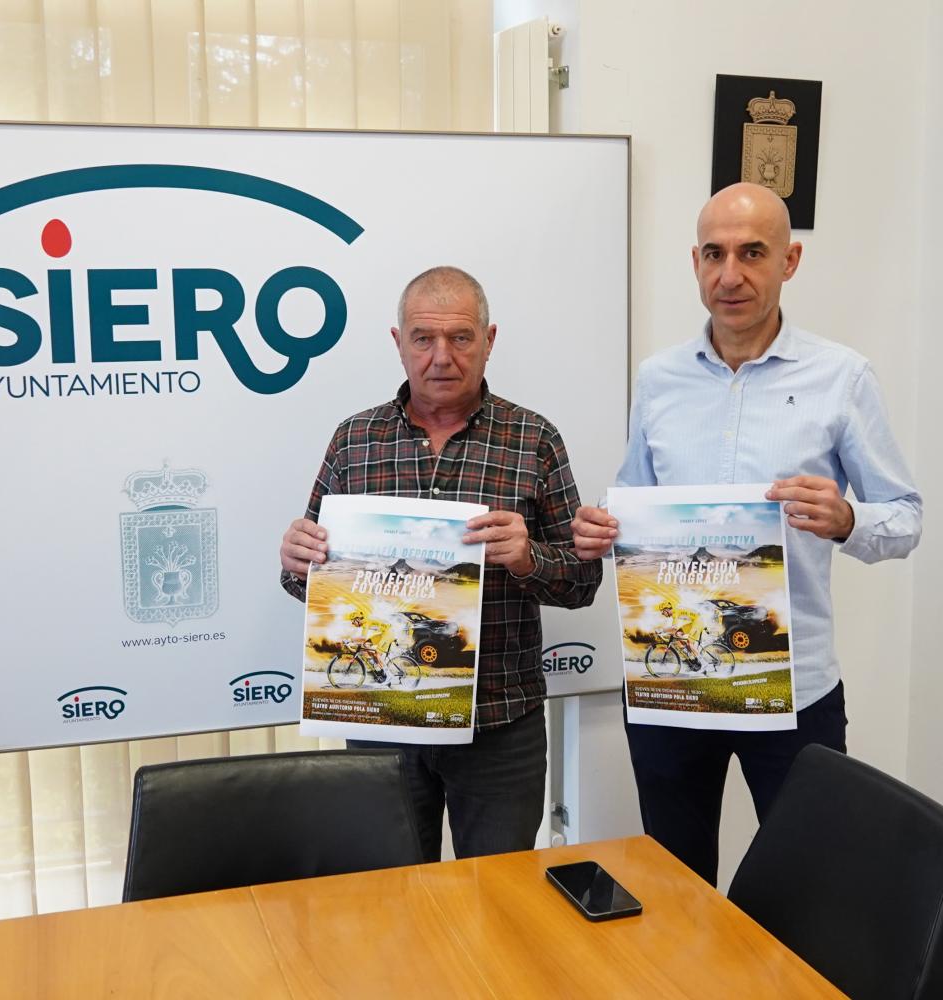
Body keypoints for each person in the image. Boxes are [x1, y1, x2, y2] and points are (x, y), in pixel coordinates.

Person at [573, 183, 922, 885]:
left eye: (752, 253)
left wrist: (849, 518)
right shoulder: (659, 379)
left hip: (793, 687)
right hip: (673, 683)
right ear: (695, 262)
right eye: (714, 254)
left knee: (811, 883)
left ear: (789, 261)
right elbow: (633, 498)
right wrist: (602, 526)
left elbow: (905, 517)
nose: (729, 275)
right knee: (675, 883)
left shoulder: (842, 377)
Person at [280, 265, 603, 862]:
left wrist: (529, 557)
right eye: (423, 338)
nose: (441, 357)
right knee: (391, 898)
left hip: (500, 725)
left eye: (460, 337)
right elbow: (305, 579)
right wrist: (300, 561)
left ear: (489, 340)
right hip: (382, 721)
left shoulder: (534, 440)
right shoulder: (354, 440)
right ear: (398, 343)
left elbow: (584, 582)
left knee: (498, 899)